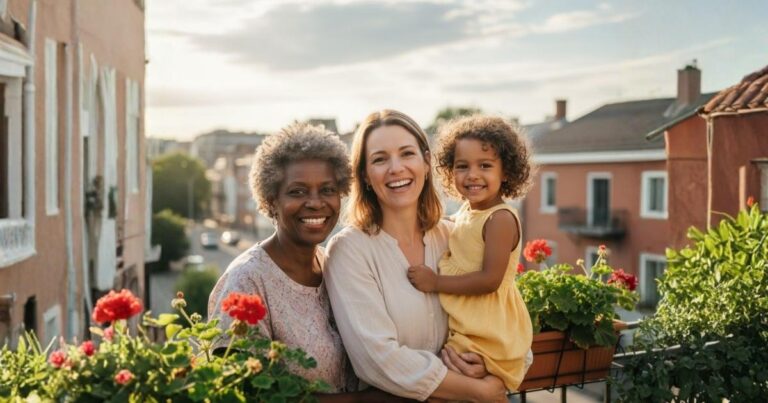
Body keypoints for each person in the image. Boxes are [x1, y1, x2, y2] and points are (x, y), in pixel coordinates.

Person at [207, 123, 404, 402]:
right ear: (271, 200)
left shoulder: (335, 265)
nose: (315, 202)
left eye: (327, 190)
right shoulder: (247, 280)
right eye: (298, 192)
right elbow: (243, 394)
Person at [325, 110, 508, 402]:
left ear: (425, 162)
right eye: (380, 159)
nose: (396, 168)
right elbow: (377, 360)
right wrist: (477, 389)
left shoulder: (454, 236)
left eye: (406, 154)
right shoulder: (349, 251)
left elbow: (504, 311)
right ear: (365, 176)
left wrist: (490, 364)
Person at [406, 115, 534, 392]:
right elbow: (463, 233)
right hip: (469, 327)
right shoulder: (468, 211)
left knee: (439, 385)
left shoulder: (500, 219)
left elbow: (490, 280)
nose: (472, 174)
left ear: (506, 172)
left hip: (488, 333)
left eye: (485, 165)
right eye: (462, 166)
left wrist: (435, 282)